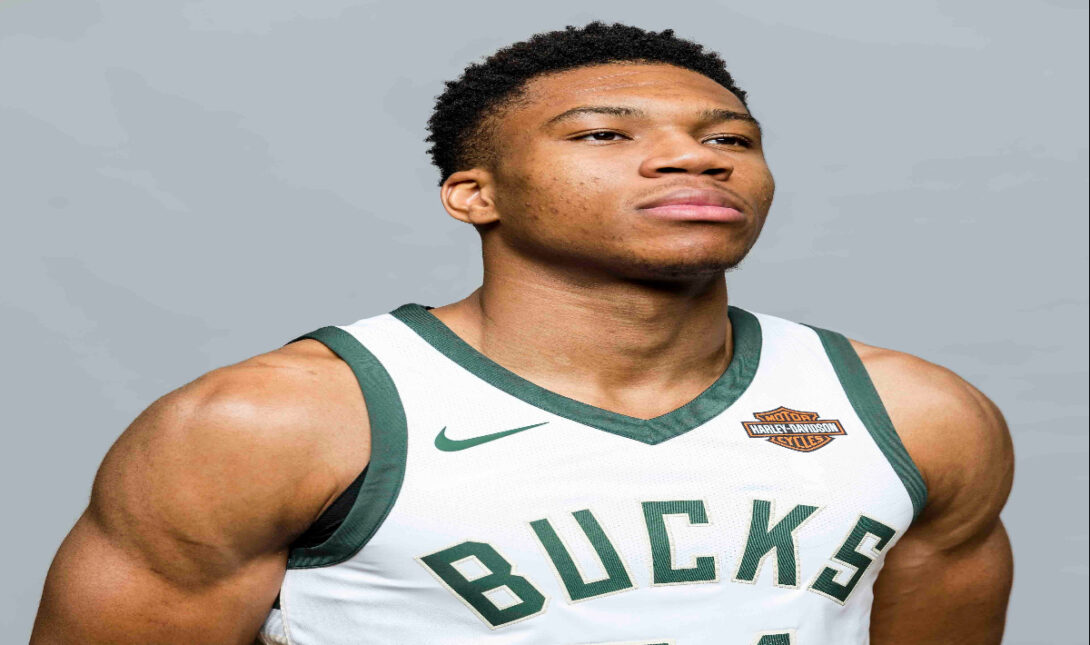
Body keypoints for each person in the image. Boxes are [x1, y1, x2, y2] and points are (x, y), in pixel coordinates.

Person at [30, 21, 1014, 645]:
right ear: (474, 194)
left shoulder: (913, 414)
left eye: (728, 139)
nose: (693, 158)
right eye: (604, 134)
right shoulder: (275, 422)